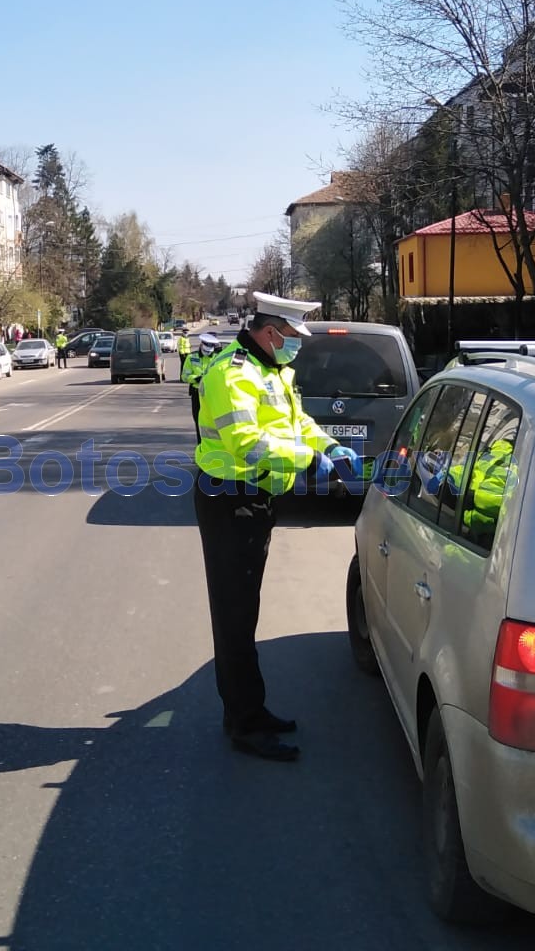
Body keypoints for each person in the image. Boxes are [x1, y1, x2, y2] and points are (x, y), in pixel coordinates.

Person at [193, 292, 359, 762]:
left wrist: (328, 444)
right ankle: (245, 723)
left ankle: (248, 710)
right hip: (230, 500)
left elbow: (295, 422)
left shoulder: (270, 369)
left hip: (254, 499)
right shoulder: (232, 374)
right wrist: (308, 461)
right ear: (270, 333)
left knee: (244, 610)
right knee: (235, 616)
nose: (297, 346)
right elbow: (248, 444)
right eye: (292, 337)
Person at [182, 331, 223, 440]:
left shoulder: (218, 358)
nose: (207, 353)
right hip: (197, 394)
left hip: (213, 394)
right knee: (198, 421)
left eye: (210, 351)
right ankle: (200, 444)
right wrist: (196, 378)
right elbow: (184, 376)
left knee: (214, 422)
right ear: (201, 345)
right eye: (205, 350)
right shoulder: (192, 357)